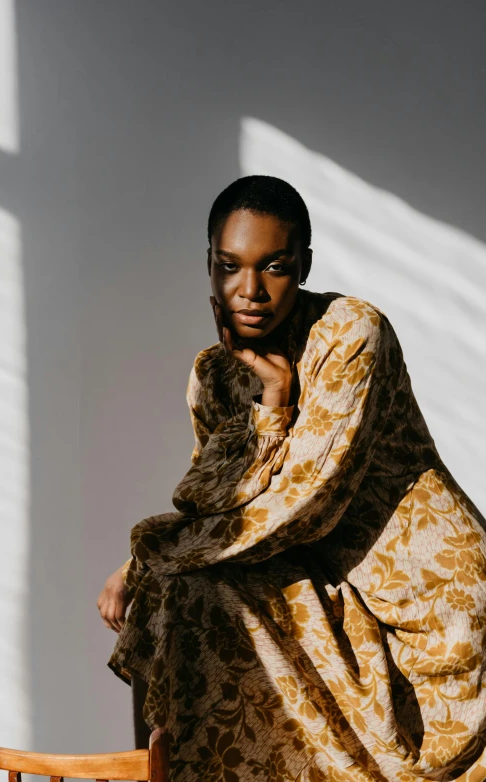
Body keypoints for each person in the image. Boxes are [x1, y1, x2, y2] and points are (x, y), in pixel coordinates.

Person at [97, 175, 486, 781]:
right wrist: (270, 405)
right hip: (328, 582)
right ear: (209, 267)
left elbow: (306, 504)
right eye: (229, 266)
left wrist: (141, 555)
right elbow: (212, 499)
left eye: (274, 267)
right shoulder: (215, 376)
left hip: (434, 604)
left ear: (304, 264)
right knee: (177, 596)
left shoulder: (352, 332)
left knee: (164, 577)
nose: (250, 291)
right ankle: (159, 772)